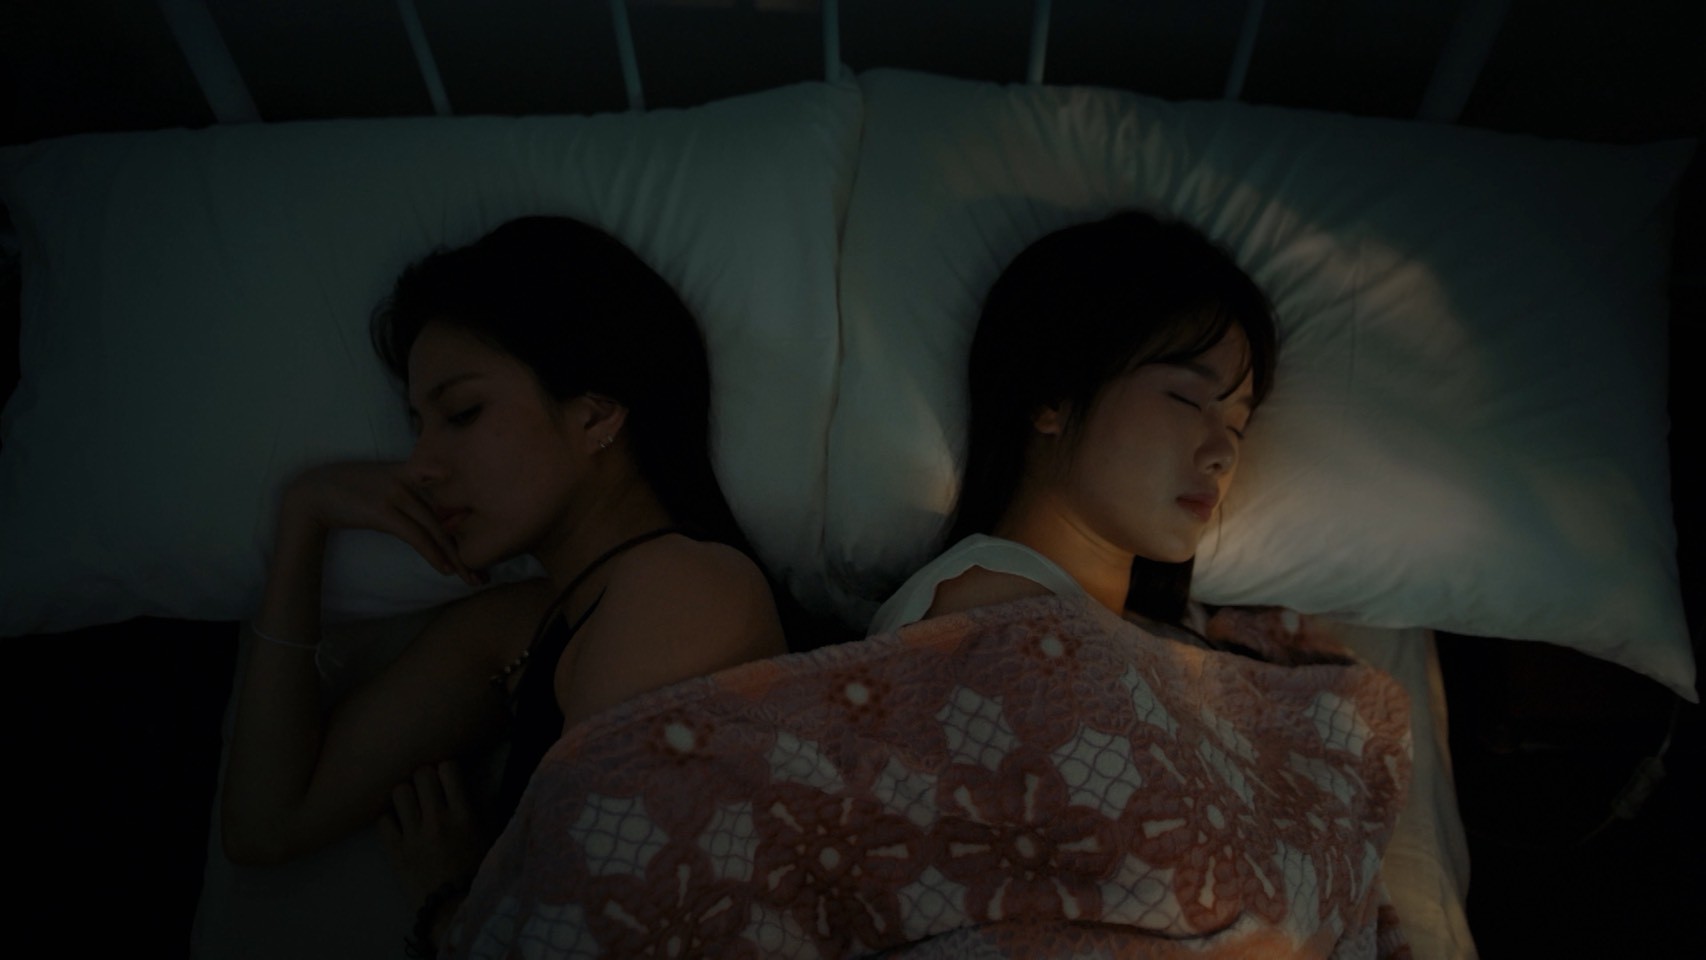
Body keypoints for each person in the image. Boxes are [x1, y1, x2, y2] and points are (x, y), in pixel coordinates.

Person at [218, 216, 786, 953]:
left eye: (462, 413)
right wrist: (303, 518)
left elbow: (610, 934)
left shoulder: (679, 588)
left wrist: (454, 907)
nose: (420, 465)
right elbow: (267, 822)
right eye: (416, 425)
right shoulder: (520, 626)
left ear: (595, 414)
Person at [870, 209, 1277, 637]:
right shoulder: (990, 612)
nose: (1224, 454)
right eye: (1187, 399)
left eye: (1237, 426)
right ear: (1052, 397)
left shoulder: (1185, 630)